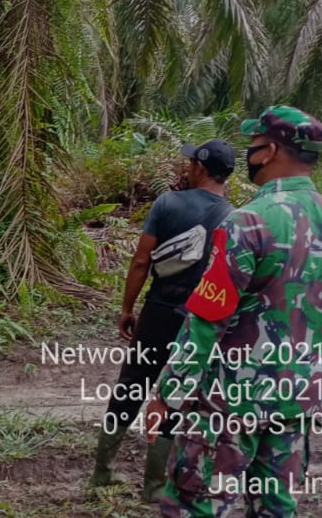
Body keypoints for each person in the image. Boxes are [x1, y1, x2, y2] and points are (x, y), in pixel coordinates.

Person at [103, 106, 322, 518]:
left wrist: (167, 395)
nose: (250, 155)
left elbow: (205, 321)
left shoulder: (246, 222)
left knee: (198, 500)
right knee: (276, 506)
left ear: (268, 151)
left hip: (230, 401)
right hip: (296, 399)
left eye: (255, 145)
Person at [92, 139, 235, 498]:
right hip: (196, 319)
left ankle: (102, 472)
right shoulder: (233, 218)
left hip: (157, 311)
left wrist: (128, 308)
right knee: (175, 392)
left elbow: (142, 260)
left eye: (191, 163)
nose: (187, 168)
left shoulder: (167, 203)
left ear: (200, 167)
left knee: (131, 385)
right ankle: (154, 486)